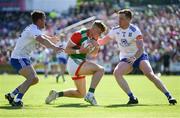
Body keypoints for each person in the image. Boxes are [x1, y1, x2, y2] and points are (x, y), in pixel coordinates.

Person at [98, 9, 177, 105]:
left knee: (150, 74)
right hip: (126, 58)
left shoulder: (135, 31)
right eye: (119, 18)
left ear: (129, 19)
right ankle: (132, 97)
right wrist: (94, 41)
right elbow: (102, 41)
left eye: (122, 19)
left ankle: (169, 96)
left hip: (139, 56)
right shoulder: (115, 30)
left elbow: (140, 49)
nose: (119, 21)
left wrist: (134, 58)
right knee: (117, 73)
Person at [5, 10, 63, 107]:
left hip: (22, 58)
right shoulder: (33, 30)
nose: (45, 21)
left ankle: (12, 95)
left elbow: (42, 36)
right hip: (19, 58)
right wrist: (54, 47)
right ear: (40, 20)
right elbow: (42, 40)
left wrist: (51, 38)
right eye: (44, 19)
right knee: (31, 77)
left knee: (34, 79)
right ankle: (17, 100)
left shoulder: (33, 28)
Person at [45, 20, 107, 105]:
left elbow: (93, 54)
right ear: (94, 29)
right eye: (99, 33)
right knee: (100, 70)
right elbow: (67, 50)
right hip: (75, 62)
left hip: (78, 63)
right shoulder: (79, 34)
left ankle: (56, 94)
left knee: (81, 94)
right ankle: (90, 95)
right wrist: (80, 51)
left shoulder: (94, 37)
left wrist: (96, 47)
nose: (100, 35)